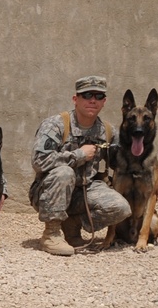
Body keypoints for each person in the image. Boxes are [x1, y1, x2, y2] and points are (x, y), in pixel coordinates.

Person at [29, 76, 131, 256]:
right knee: (64, 173)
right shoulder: (56, 125)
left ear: (104, 102)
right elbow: (39, 161)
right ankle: (51, 234)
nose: (93, 100)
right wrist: (79, 155)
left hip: (85, 189)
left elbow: (122, 163)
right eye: (87, 95)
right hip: (49, 190)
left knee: (121, 208)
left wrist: (151, 183)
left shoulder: (106, 131)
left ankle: (72, 225)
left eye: (99, 96)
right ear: (75, 99)